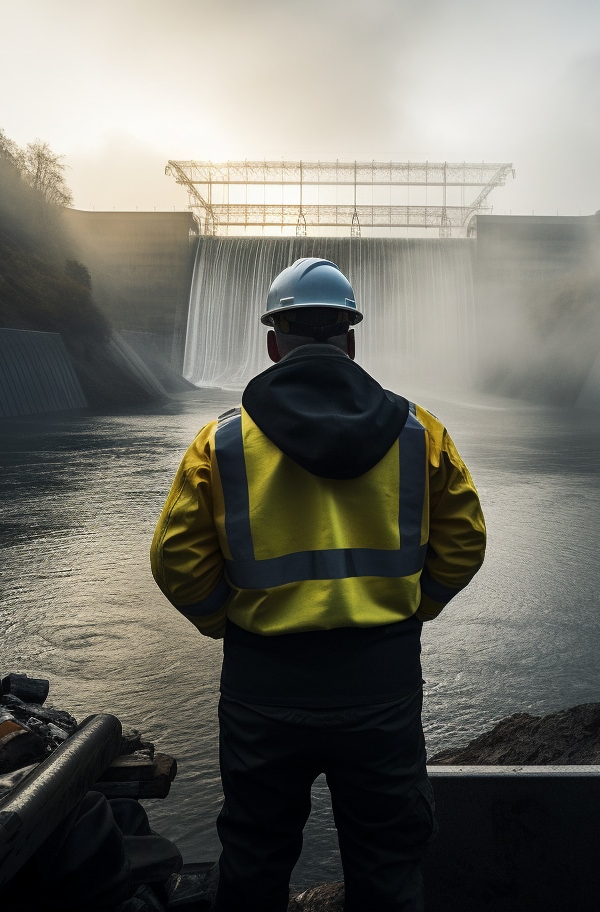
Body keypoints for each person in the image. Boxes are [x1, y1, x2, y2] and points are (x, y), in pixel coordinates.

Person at [151, 257, 486, 912]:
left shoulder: (220, 444)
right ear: (352, 340)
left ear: (273, 343)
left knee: (254, 856)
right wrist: (417, 605)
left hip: (263, 687)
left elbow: (177, 562)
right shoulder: (421, 436)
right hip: (382, 684)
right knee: (388, 863)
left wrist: (229, 620)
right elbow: (466, 540)